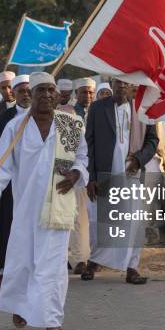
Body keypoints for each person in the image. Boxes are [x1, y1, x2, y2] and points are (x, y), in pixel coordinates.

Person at [0, 72, 88, 330]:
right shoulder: (15, 127)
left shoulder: (70, 125)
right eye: (41, 90)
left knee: (53, 265)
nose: (47, 95)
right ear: (31, 94)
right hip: (26, 207)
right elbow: (2, 167)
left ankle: (52, 319)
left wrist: (76, 173)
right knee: (23, 261)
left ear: (57, 94)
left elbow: (82, 157)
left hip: (58, 206)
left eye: (51, 90)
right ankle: (21, 306)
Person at [82, 78, 158, 284]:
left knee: (134, 221)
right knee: (99, 220)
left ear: (132, 85)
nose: (122, 85)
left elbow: (153, 140)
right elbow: (88, 143)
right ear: (111, 83)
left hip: (132, 173)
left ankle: (132, 267)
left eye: (127, 81)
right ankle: (94, 261)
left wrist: (139, 160)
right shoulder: (98, 108)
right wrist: (90, 177)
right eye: (118, 82)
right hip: (104, 174)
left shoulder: (144, 108)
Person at [0, 74, 30, 277]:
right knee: (10, 221)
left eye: (30, 90)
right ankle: (8, 265)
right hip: (12, 181)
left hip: (38, 181)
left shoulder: (48, 116)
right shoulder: (4, 119)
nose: (26, 94)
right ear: (14, 92)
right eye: (21, 91)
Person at [69, 77, 96, 273]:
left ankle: (95, 257)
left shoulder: (99, 112)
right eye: (83, 92)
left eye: (90, 92)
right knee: (78, 217)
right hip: (78, 170)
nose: (87, 95)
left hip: (96, 171)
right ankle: (79, 259)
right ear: (76, 94)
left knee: (94, 217)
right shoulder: (70, 113)